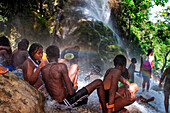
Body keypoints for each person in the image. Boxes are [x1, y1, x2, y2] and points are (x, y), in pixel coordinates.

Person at [41, 45, 107, 113]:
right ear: (59, 55)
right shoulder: (61, 66)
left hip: (54, 103)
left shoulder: (43, 70)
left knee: (83, 97)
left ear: (47, 56)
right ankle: (105, 111)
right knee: (98, 82)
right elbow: (71, 92)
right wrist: (75, 88)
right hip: (66, 103)